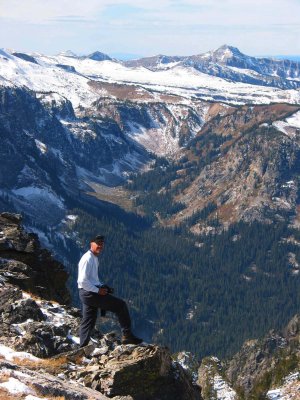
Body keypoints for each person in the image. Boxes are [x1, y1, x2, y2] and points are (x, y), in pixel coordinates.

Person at [78, 235, 143, 347]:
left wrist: (103, 286)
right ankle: (127, 335)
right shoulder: (87, 258)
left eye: (102, 244)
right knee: (121, 306)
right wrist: (98, 291)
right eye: (98, 243)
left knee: (88, 320)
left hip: (87, 293)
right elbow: (83, 281)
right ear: (91, 244)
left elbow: (93, 279)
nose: (100, 246)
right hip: (89, 293)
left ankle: (82, 347)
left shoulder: (94, 257)